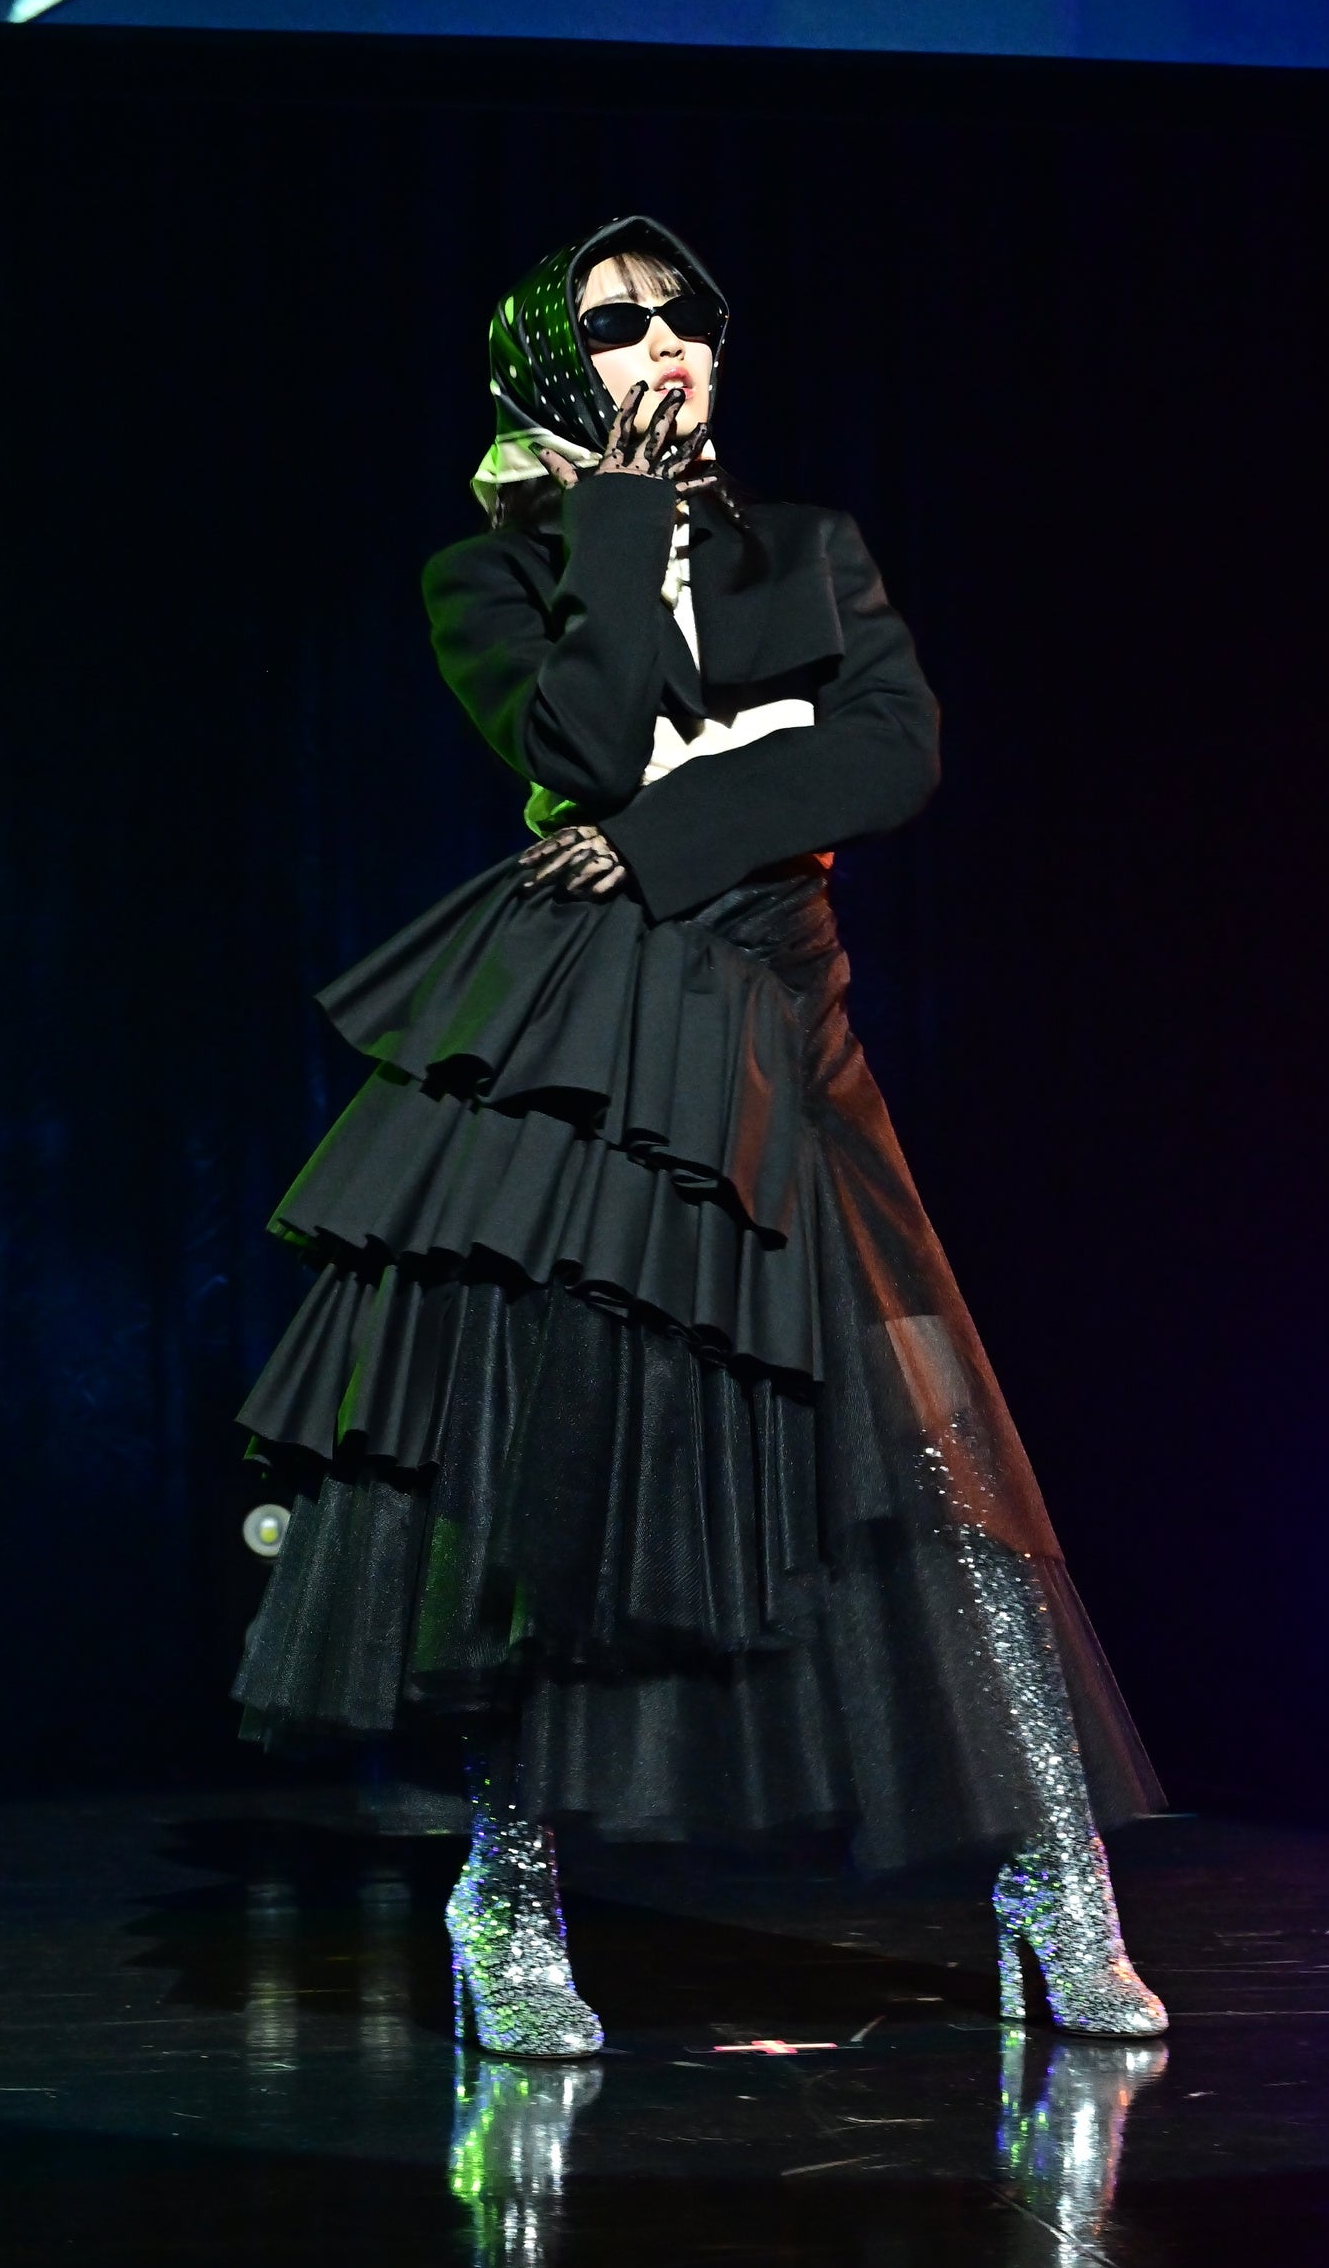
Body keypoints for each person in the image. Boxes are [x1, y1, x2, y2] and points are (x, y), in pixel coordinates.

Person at [234, 212, 1168, 2057]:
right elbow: (583, 742)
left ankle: (1058, 1889)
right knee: (570, 1457)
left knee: (935, 1444)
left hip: (782, 1013)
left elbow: (889, 754)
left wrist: (668, 823)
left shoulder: (808, 545)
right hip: (601, 1027)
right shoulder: (490, 567)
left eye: (686, 317)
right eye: (614, 325)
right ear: (544, 367)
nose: (663, 345)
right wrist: (619, 537)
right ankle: (507, 1892)